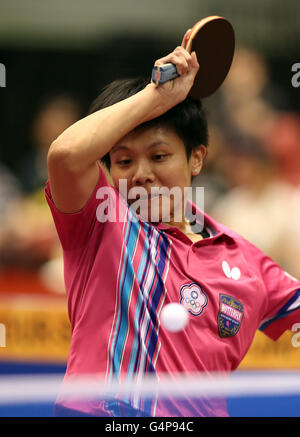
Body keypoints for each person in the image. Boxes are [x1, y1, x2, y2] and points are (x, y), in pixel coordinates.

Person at [45, 43, 300, 417]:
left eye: (159, 155)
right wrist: (155, 96)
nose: (142, 173)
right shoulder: (98, 221)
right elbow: (66, 155)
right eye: (124, 160)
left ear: (196, 158)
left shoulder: (246, 262)